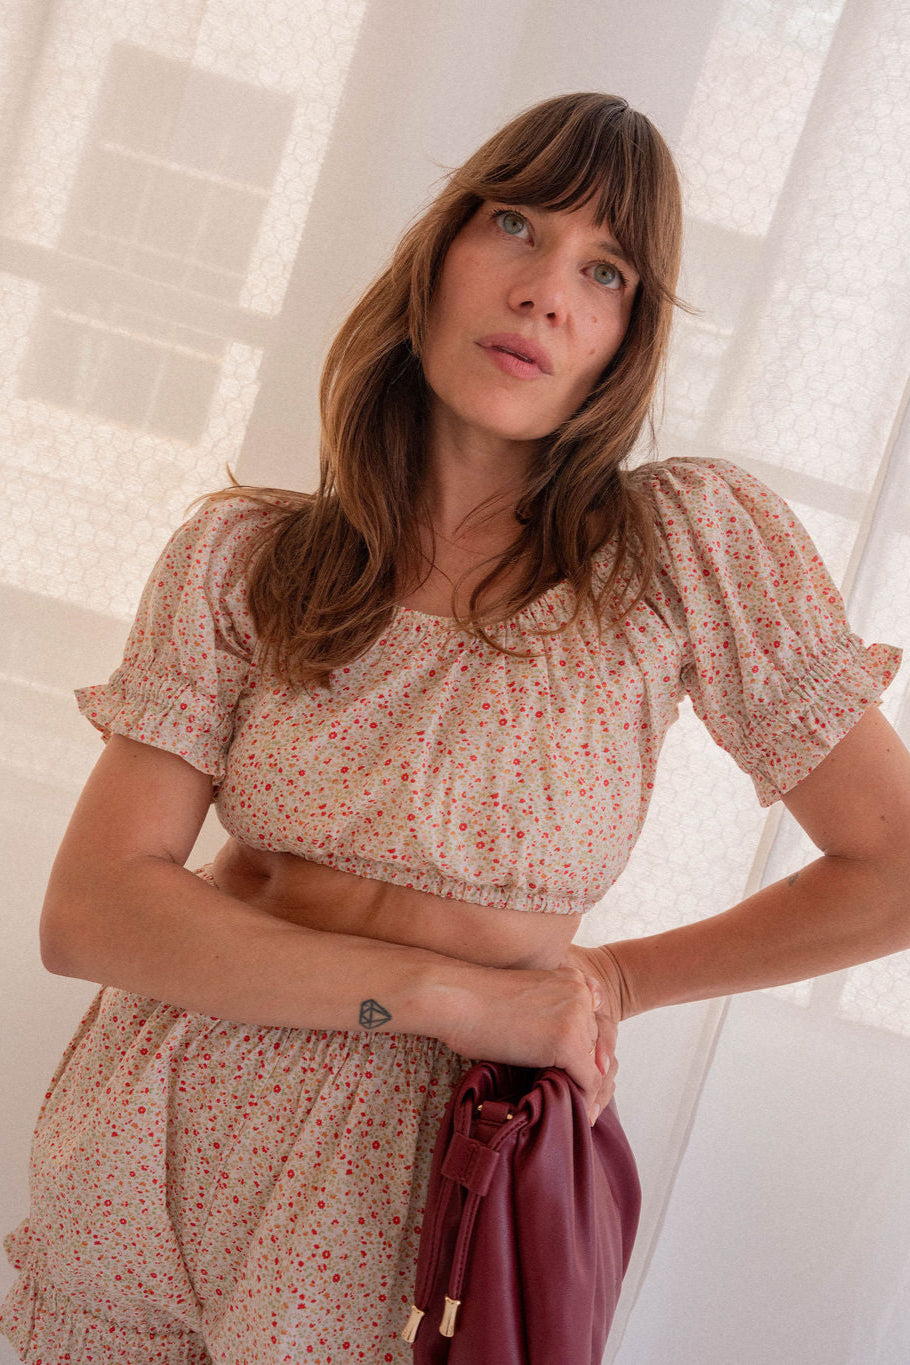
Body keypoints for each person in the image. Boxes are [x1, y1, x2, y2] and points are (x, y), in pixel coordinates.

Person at [2, 89, 908, 1364]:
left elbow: (896, 864)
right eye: (516, 225)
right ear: (436, 257)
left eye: (604, 270)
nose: (547, 290)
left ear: (622, 341)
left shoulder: (675, 551)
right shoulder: (249, 555)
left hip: (418, 1182)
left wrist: (618, 980)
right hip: (145, 1129)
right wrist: (442, 994)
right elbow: (92, 912)